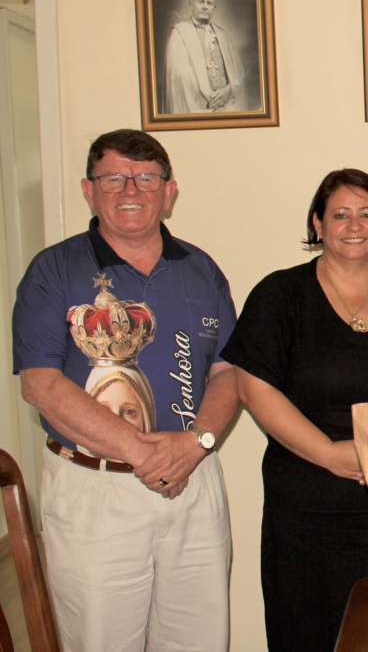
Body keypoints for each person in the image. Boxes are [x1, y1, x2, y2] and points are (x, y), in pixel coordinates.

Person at [12, 129, 237, 650]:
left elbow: (228, 371)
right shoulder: (53, 270)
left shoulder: (201, 270)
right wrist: (144, 455)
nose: (130, 191)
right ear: (88, 191)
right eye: (113, 178)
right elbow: (40, 384)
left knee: (199, 641)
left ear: (169, 191)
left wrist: (195, 444)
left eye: (145, 179)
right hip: (96, 488)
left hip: (193, 478)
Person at [221, 169, 368, 651]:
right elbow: (253, 386)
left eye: (367, 214)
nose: (354, 225)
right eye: (340, 214)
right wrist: (330, 454)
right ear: (317, 224)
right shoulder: (281, 295)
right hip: (307, 514)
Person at [164, 0, 248, 114]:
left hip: (225, 106)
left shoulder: (223, 35)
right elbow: (180, 78)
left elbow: (238, 73)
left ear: (214, 7)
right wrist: (210, 97)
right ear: (191, 4)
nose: (205, 7)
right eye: (201, 2)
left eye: (209, 3)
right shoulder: (179, 33)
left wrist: (228, 90)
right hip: (197, 106)